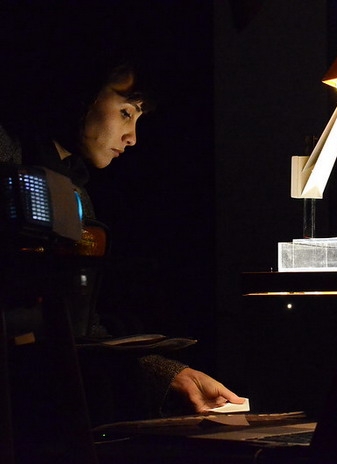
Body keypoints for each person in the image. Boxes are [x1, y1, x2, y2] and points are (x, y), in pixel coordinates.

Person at [0, 58, 244, 422]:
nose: (132, 137)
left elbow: (80, 326)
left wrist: (170, 376)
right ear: (80, 96)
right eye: (126, 112)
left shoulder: (75, 195)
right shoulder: (9, 156)